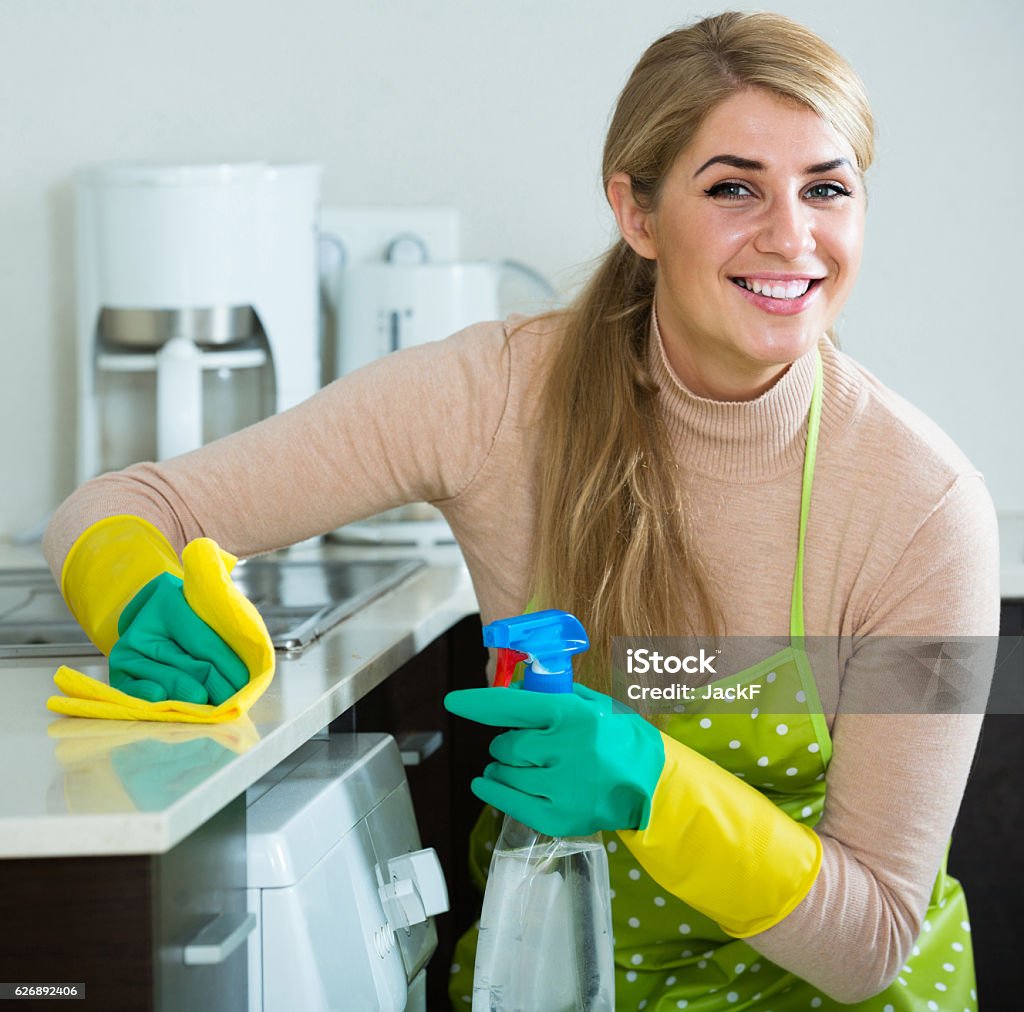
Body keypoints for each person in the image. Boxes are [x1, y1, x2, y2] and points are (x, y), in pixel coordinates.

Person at [44, 10, 999, 1010]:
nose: (791, 236)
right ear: (635, 212)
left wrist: (653, 784)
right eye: (732, 188)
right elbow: (128, 503)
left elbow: (872, 940)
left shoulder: (921, 508)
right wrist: (134, 592)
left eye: (826, 189)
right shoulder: (496, 398)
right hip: (560, 969)